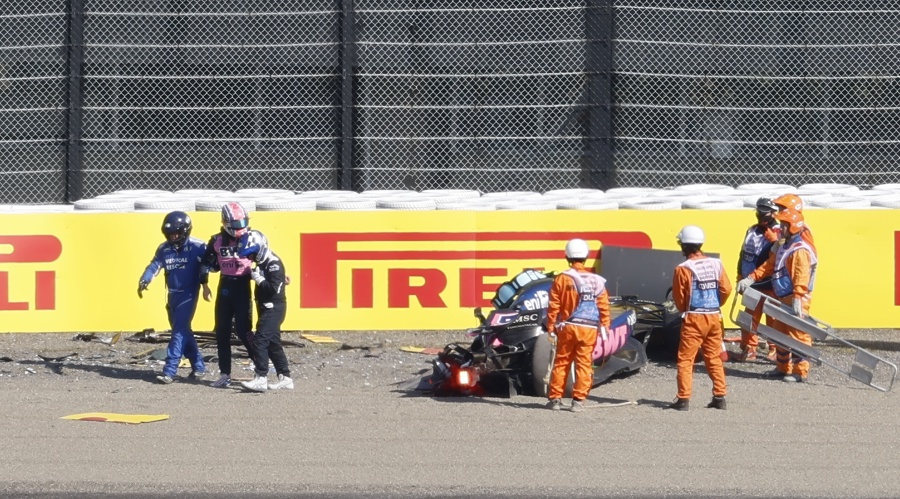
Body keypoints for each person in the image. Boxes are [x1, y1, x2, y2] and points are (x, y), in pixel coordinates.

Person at [738, 209, 817, 383]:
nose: (780, 228)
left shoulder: (799, 250)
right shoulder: (785, 247)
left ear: (793, 227)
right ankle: (783, 368)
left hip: (796, 299)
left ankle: (800, 372)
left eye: (784, 225)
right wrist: (750, 278)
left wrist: (798, 296)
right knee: (779, 333)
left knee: (798, 335)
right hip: (784, 297)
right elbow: (769, 265)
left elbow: (801, 274)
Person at [138, 211, 212, 384]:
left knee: (178, 332)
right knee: (183, 331)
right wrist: (145, 279)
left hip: (189, 294)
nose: (173, 237)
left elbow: (210, 265)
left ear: (185, 231)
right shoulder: (164, 249)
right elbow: (155, 265)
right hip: (171, 295)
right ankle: (199, 366)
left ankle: (169, 370)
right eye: (170, 234)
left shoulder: (198, 246)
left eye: (176, 233)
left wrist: (205, 284)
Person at [669, 225, 732, 411]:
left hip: (694, 318)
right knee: (713, 357)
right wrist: (716, 304)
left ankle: (683, 399)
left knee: (686, 359)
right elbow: (726, 289)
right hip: (714, 316)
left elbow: (679, 297)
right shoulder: (716, 263)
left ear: (684, 245)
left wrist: (684, 310)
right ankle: (719, 397)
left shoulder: (683, 268)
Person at [545, 238, 611, 412]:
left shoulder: (562, 279)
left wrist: (550, 327)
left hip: (567, 327)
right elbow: (604, 305)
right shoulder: (597, 280)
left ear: (567, 256)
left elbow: (554, 306)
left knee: (562, 362)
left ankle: (555, 400)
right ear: (586, 257)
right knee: (584, 364)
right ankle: (578, 401)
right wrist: (605, 325)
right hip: (589, 329)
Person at [202, 202, 258, 388]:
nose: (239, 228)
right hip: (225, 287)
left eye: (242, 223)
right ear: (225, 223)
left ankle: (260, 369)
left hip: (243, 286)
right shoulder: (216, 240)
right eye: (235, 224)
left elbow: (266, 259)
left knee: (244, 331)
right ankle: (225, 374)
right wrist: (204, 284)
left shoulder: (253, 238)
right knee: (222, 332)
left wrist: (278, 276)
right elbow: (206, 263)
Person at [236, 230, 293, 392]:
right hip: (265, 306)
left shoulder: (273, 263)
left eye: (252, 254)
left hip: (273, 308)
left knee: (260, 340)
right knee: (273, 343)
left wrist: (258, 278)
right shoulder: (263, 262)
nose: (251, 258)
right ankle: (285, 377)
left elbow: (273, 289)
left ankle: (261, 377)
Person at [733, 197, 781, 362]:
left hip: (769, 282)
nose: (761, 215)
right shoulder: (752, 230)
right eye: (759, 211)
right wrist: (740, 276)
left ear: (773, 213)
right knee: (749, 317)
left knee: (772, 318)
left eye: (765, 212)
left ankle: (775, 348)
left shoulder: (779, 230)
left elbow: (781, 256)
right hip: (750, 281)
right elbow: (742, 254)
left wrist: (774, 240)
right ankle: (750, 349)